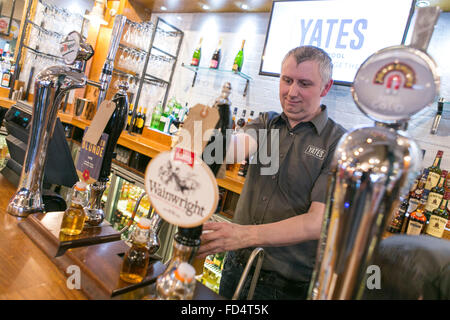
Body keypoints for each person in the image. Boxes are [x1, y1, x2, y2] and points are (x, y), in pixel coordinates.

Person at [197, 45, 347, 300]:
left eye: (304, 83)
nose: (292, 92)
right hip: (236, 265)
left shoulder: (336, 143)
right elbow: (235, 149)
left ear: (325, 87)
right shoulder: (268, 123)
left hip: (283, 285)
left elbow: (315, 223)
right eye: (287, 80)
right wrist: (207, 131)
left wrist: (244, 235)